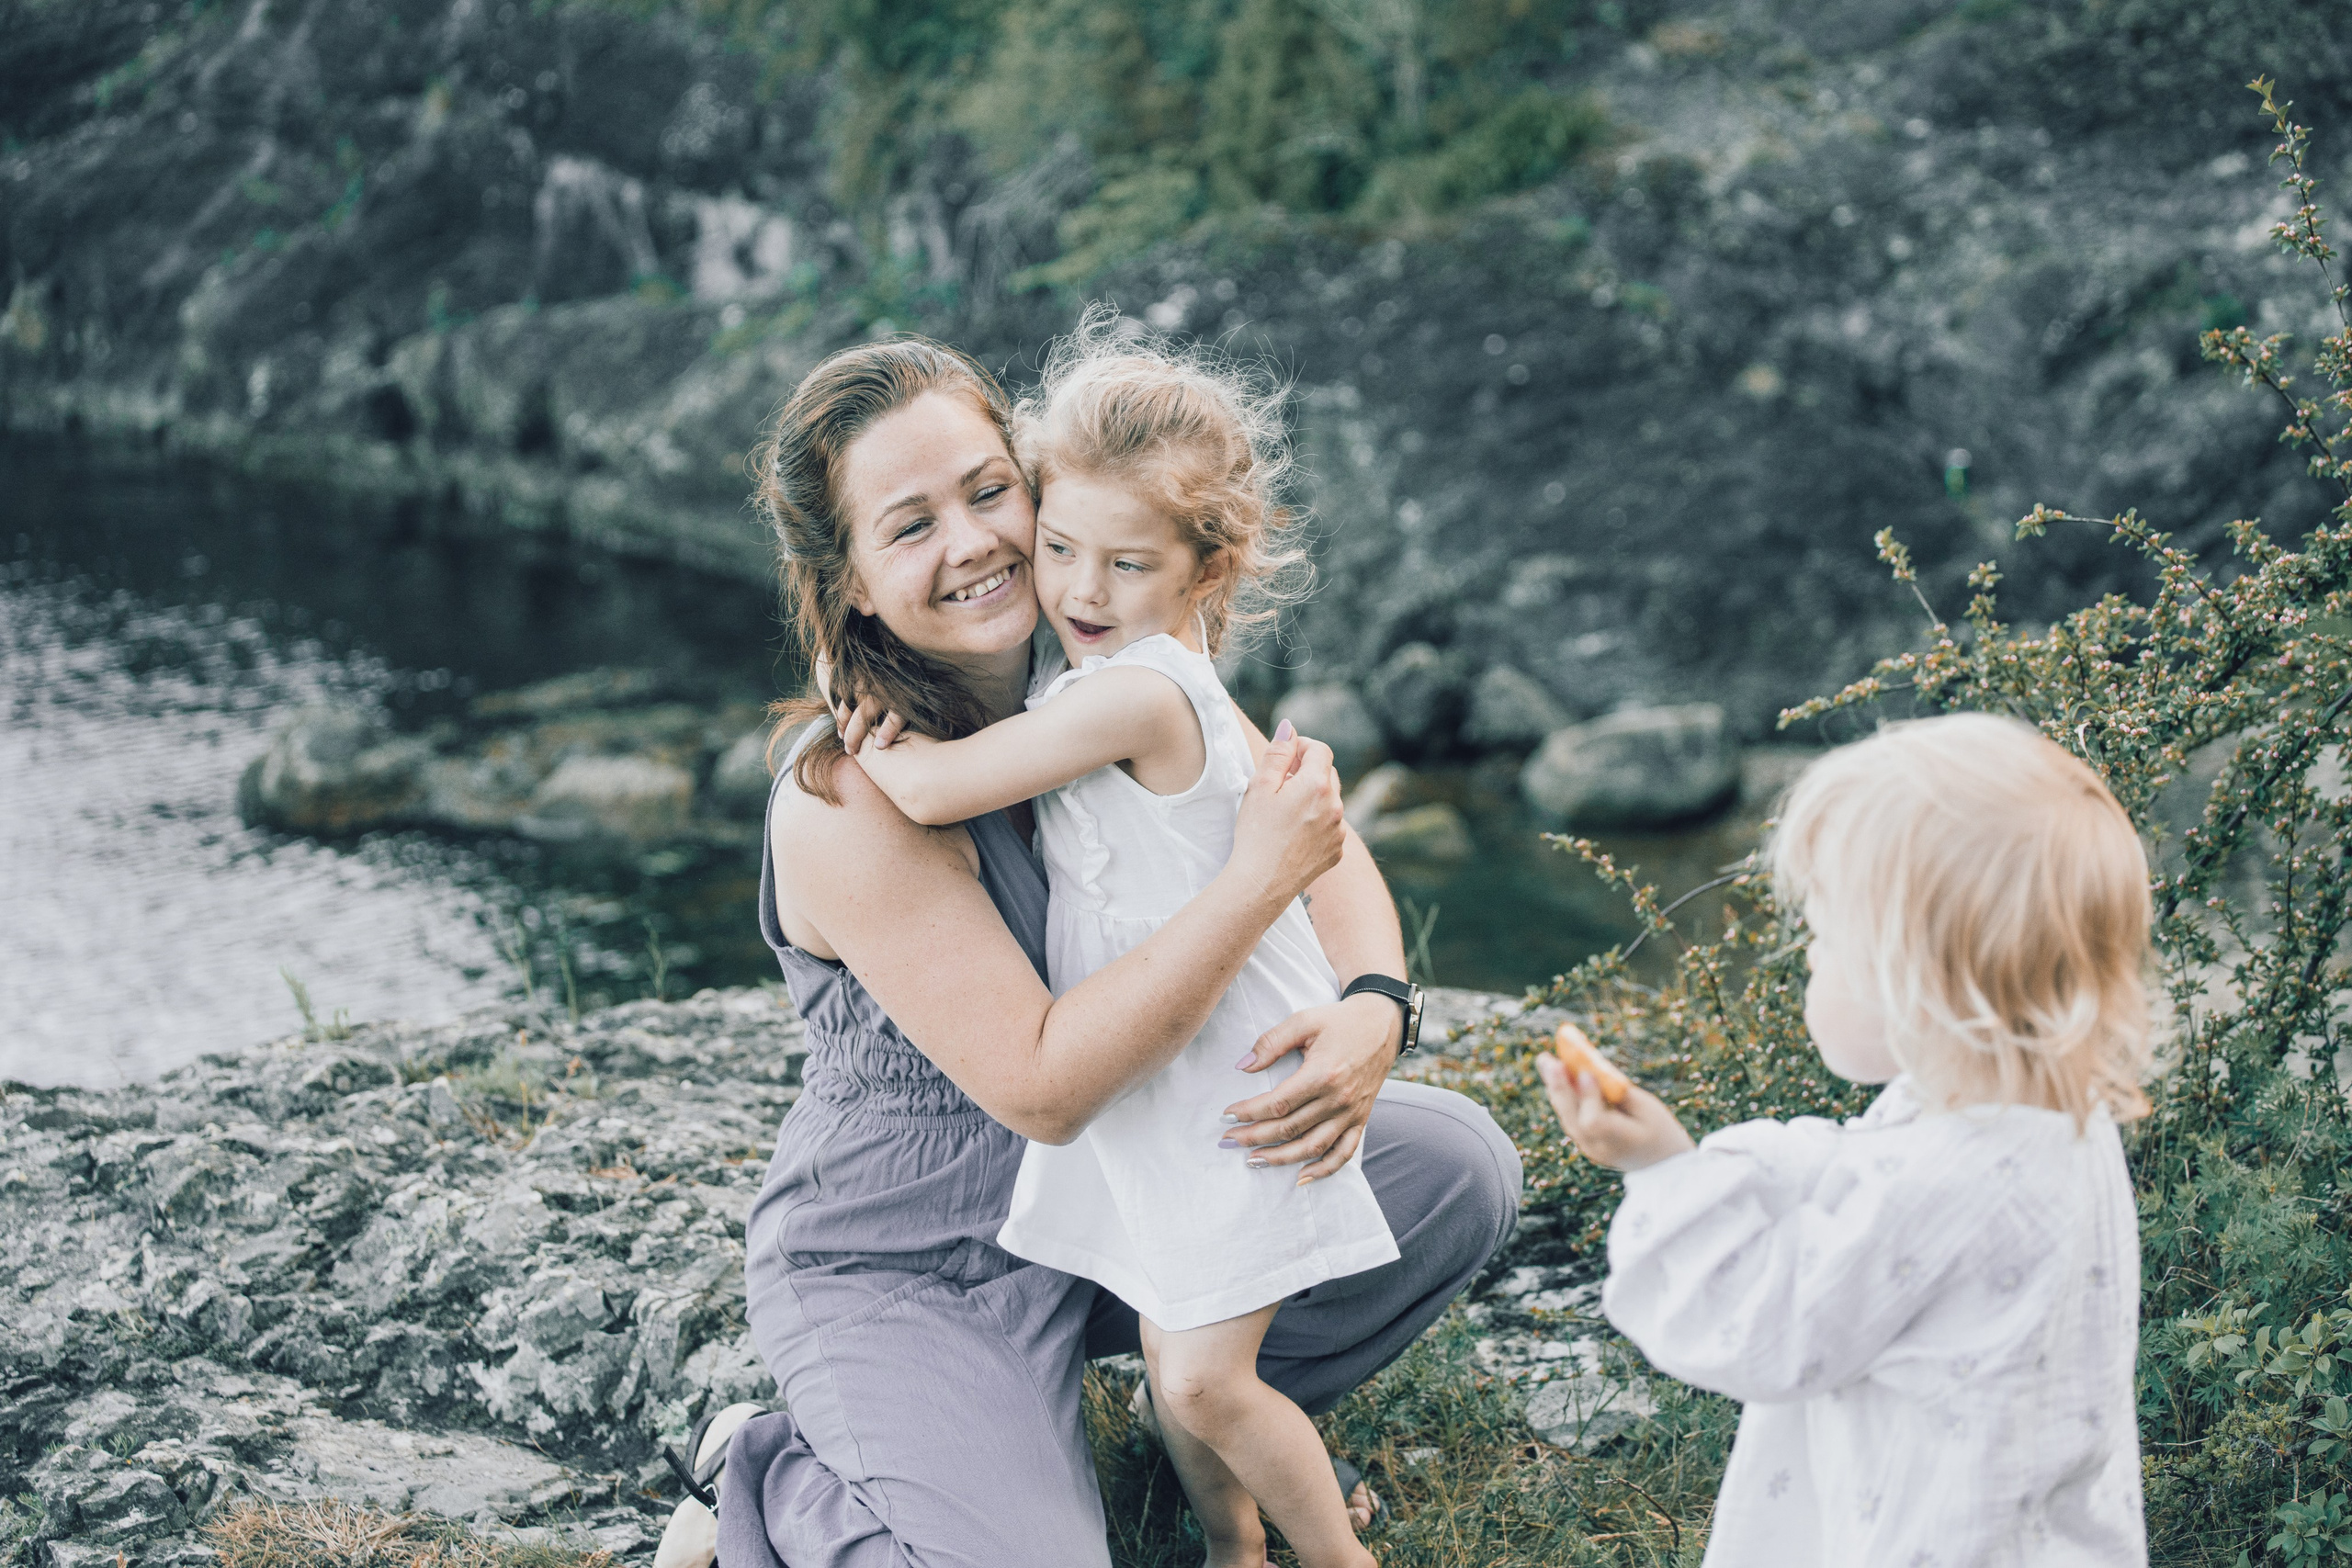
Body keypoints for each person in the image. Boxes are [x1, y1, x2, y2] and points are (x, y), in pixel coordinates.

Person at [712, 333, 1523, 1568]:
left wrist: (1372, 1004)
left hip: (1128, 1173)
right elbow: (1043, 1083)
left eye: (990, 490)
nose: (976, 540)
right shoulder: (850, 791)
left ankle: (1209, 1406)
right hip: (915, 1256)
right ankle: (773, 1471)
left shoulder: (1099, 656)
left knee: (1457, 1166)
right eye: (910, 523)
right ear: (856, 581)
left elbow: (1315, 830)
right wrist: (1252, 885)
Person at [846, 323, 1391, 1568]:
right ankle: (1231, 1546)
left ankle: (1330, 1554)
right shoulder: (1114, 666)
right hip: (1165, 1088)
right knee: (1171, 1350)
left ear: (1211, 569)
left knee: (1201, 1376)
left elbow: (942, 790)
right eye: (1058, 549)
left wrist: (851, 696)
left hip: (1226, 1086)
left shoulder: (1140, 690)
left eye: (1127, 563)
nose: (1081, 591)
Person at [1539, 714, 2153, 1566]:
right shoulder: (2047, 1120)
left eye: (1827, 940)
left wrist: (1665, 1175)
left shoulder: (1941, 1182)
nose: (1811, 962)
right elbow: (1857, 1163)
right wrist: (1714, 1157)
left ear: (1922, 981)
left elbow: (1758, 1326)